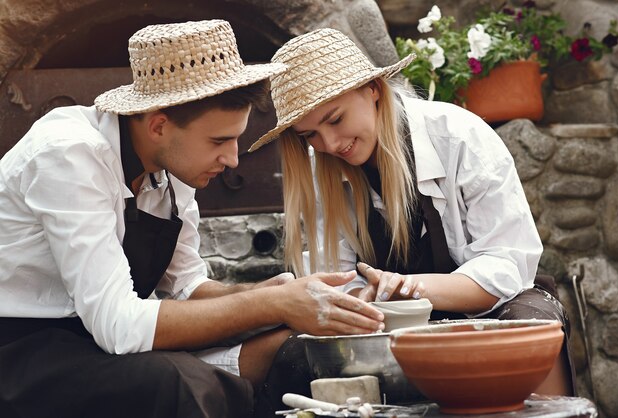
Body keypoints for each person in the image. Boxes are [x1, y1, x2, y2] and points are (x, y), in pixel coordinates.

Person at [0, 20, 385, 418]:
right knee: (174, 382)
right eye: (219, 142)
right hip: (21, 349)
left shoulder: (173, 167)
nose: (233, 159)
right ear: (159, 126)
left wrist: (280, 294)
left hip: (93, 341)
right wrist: (270, 304)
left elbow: (186, 287)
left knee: (292, 344)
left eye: (236, 138)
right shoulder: (68, 156)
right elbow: (119, 327)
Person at [248, 27, 576, 403]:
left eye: (335, 119)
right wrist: (361, 296)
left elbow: (508, 264)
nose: (329, 145)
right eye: (310, 136)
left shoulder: (458, 136)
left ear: (372, 89)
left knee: (531, 328)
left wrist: (414, 288)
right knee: (294, 355)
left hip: (495, 306)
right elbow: (331, 279)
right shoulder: (319, 170)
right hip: (387, 320)